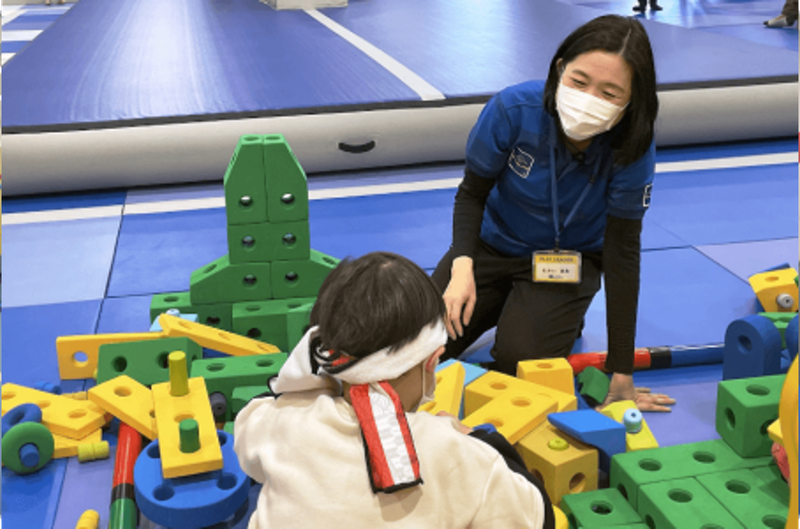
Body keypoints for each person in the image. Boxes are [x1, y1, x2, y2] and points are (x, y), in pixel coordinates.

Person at [432, 15, 675, 413]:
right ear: (560, 68)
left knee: (521, 363)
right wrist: (462, 267)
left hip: (569, 260)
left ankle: (552, 310)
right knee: (419, 343)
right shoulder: (513, 109)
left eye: (610, 93)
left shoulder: (633, 144)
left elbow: (622, 252)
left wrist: (622, 372)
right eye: (579, 81)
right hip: (491, 248)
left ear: (633, 100)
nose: (589, 99)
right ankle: (505, 300)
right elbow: (472, 193)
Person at [234, 252, 555, 529]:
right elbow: (539, 516)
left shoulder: (282, 421)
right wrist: (482, 438)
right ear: (431, 361)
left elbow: (256, 417)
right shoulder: (454, 450)